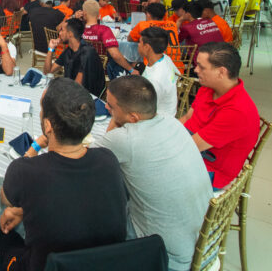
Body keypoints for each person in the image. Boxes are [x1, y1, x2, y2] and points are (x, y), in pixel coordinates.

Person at [0, 78, 127, 270]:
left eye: (42, 109)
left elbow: (5, 199)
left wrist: (34, 148)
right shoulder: (109, 160)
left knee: (5, 231)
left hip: (47, 265)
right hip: (105, 263)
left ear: (48, 126)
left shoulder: (24, 171)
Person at [102, 75, 212, 271]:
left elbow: (93, 158)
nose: (107, 109)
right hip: (204, 241)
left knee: (98, 213)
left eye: (111, 106)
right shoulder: (172, 121)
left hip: (167, 256)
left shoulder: (126, 140)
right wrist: (120, 115)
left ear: (133, 117)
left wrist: (115, 120)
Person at [180, 42, 260, 190]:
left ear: (221, 72)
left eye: (201, 67)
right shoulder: (208, 88)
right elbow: (186, 119)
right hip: (191, 146)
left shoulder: (237, 112)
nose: (196, 70)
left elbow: (190, 147)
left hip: (208, 168)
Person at [44, 17, 105, 97]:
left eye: (62, 30)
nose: (59, 33)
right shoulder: (69, 51)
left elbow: (76, 87)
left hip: (86, 98)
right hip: (72, 92)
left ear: (70, 34)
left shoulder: (87, 53)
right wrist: (51, 49)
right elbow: (47, 72)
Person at [80, 0, 138, 79]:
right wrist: (131, 70)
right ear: (98, 13)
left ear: (84, 13)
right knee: (134, 60)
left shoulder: (79, 29)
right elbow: (115, 55)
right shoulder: (104, 30)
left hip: (84, 66)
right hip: (103, 68)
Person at [137, 27, 181, 118]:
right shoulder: (165, 58)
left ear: (147, 47)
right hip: (167, 111)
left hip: (158, 119)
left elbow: (145, 111)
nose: (138, 45)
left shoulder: (155, 78)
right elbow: (178, 77)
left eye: (139, 42)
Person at [178, 1, 225, 65]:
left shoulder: (187, 27)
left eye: (183, 12)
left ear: (188, 14)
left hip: (203, 62)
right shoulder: (211, 21)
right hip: (221, 57)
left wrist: (179, 21)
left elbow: (175, 40)